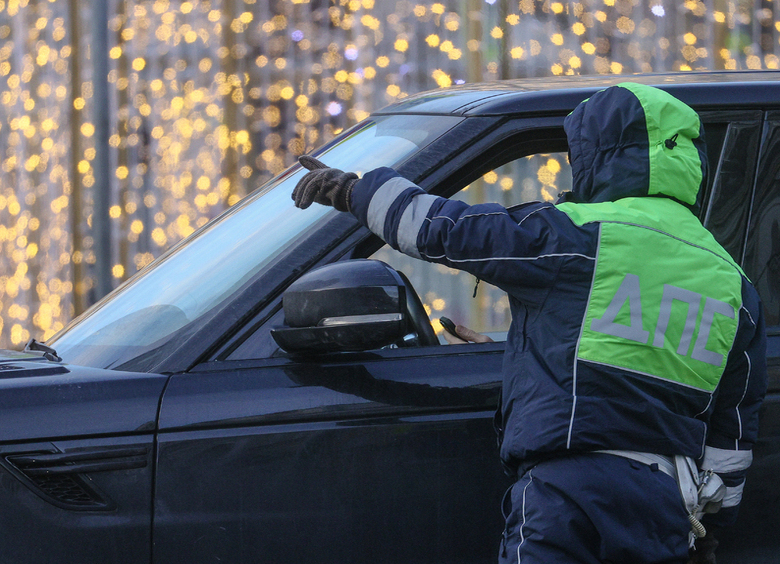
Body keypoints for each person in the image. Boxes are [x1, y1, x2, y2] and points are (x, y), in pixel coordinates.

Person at [292, 82, 767, 564]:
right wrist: (710, 532)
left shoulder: (575, 234)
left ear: (597, 155)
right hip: (664, 504)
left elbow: (438, 228)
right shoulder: (734, 284)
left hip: (568, 492)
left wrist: (354, 189)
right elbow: (731, 435)